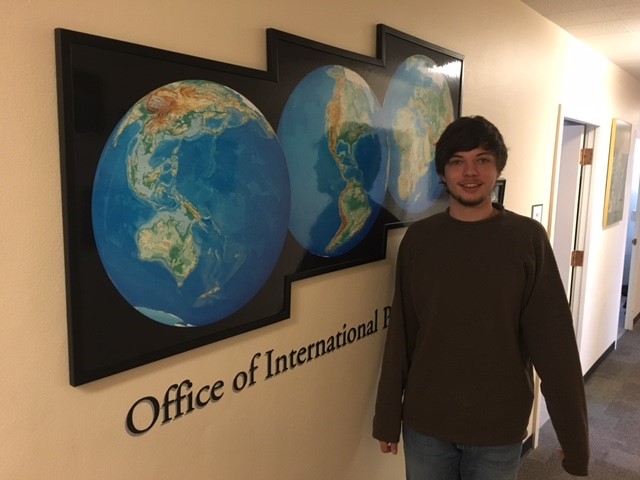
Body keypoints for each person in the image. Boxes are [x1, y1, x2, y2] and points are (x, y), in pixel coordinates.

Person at [372, 116, 589, 479]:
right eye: (457, 161)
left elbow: (554, 344)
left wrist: (573, 433)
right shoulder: (420, 242)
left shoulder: (526, 239)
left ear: (498, 167)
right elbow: (402, 335)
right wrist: (387, 416)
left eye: (483, 159)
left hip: (498, 427)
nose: (470, 172)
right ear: (443, 171)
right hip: (427, 424)